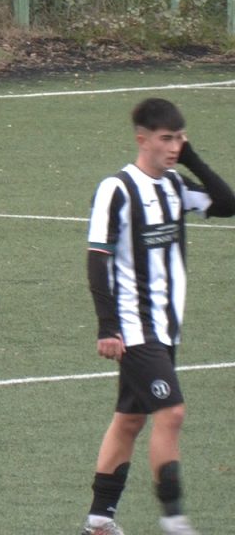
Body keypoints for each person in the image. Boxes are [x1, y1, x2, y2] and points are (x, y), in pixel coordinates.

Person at [78, 99, 235, 535]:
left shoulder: (174, 186)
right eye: (166, 139)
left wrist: (191, 157)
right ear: (142, 139)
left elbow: (228, 203)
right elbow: (97, 259)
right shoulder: (117, 189)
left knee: (130, 419)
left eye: (179, 138)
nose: (173, 146)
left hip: (166, 329)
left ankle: (99, 521)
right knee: (172, 412)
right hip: (133, 328)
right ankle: (174, 518)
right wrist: (107, 327)